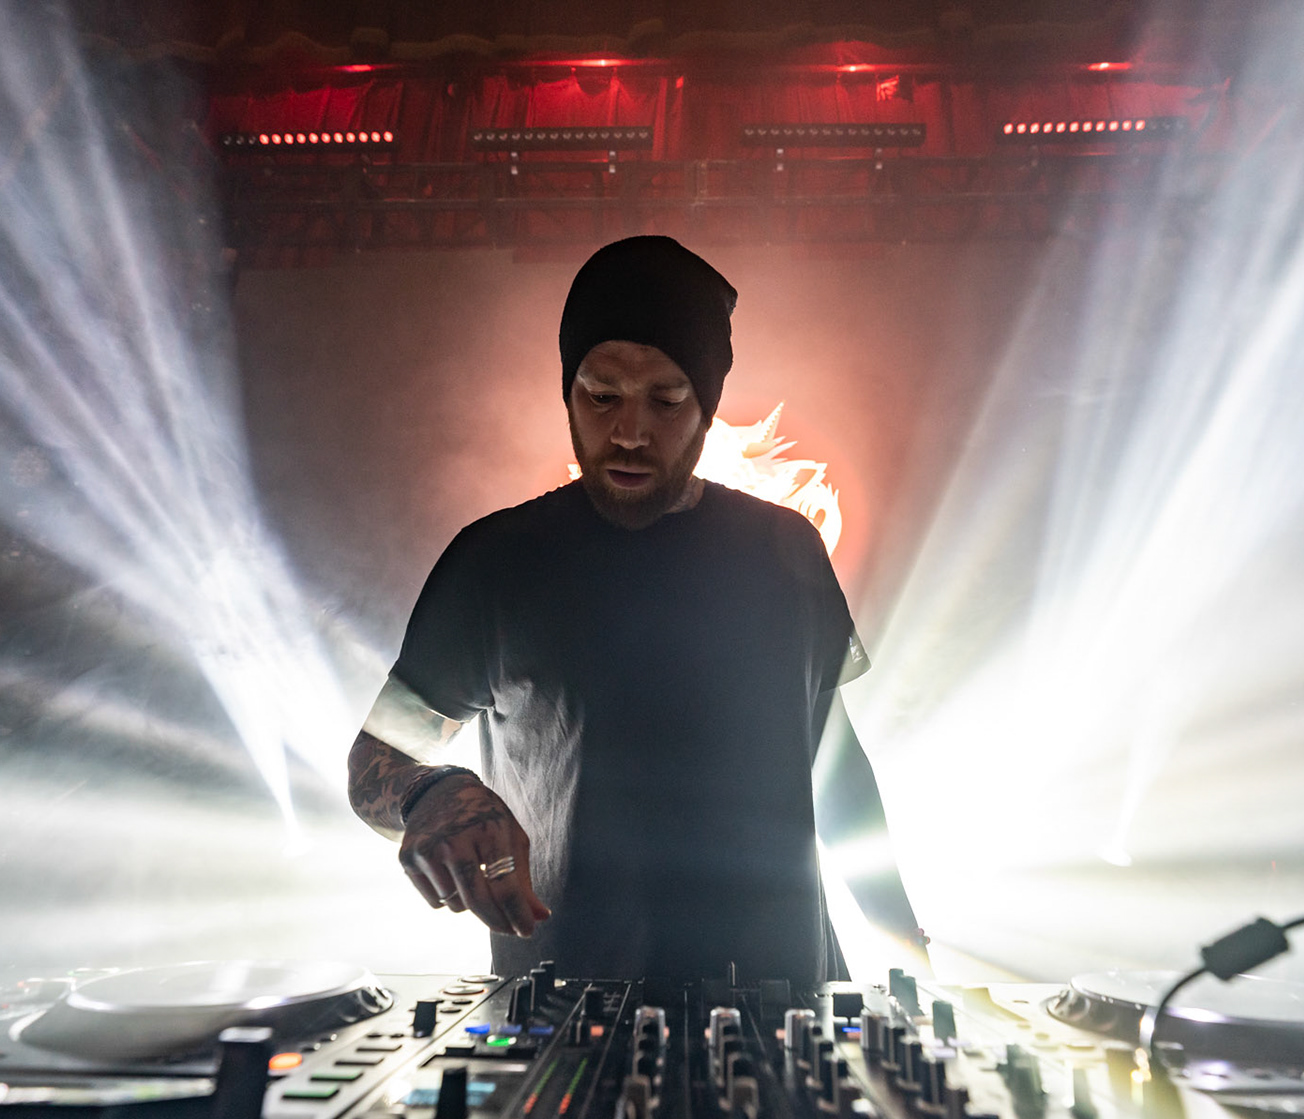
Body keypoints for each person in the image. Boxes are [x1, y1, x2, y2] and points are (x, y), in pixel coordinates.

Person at [347, 235, 924, 984]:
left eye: (667, 400)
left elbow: (836, 768)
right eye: (601, 395)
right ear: (568, 391)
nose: (629, 431)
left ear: (707, 406)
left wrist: (910, 953)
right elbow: (376, 760)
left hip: (779, 1002)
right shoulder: (495, 563)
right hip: (566, 1011)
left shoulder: (784, 551)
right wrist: (433, 792)